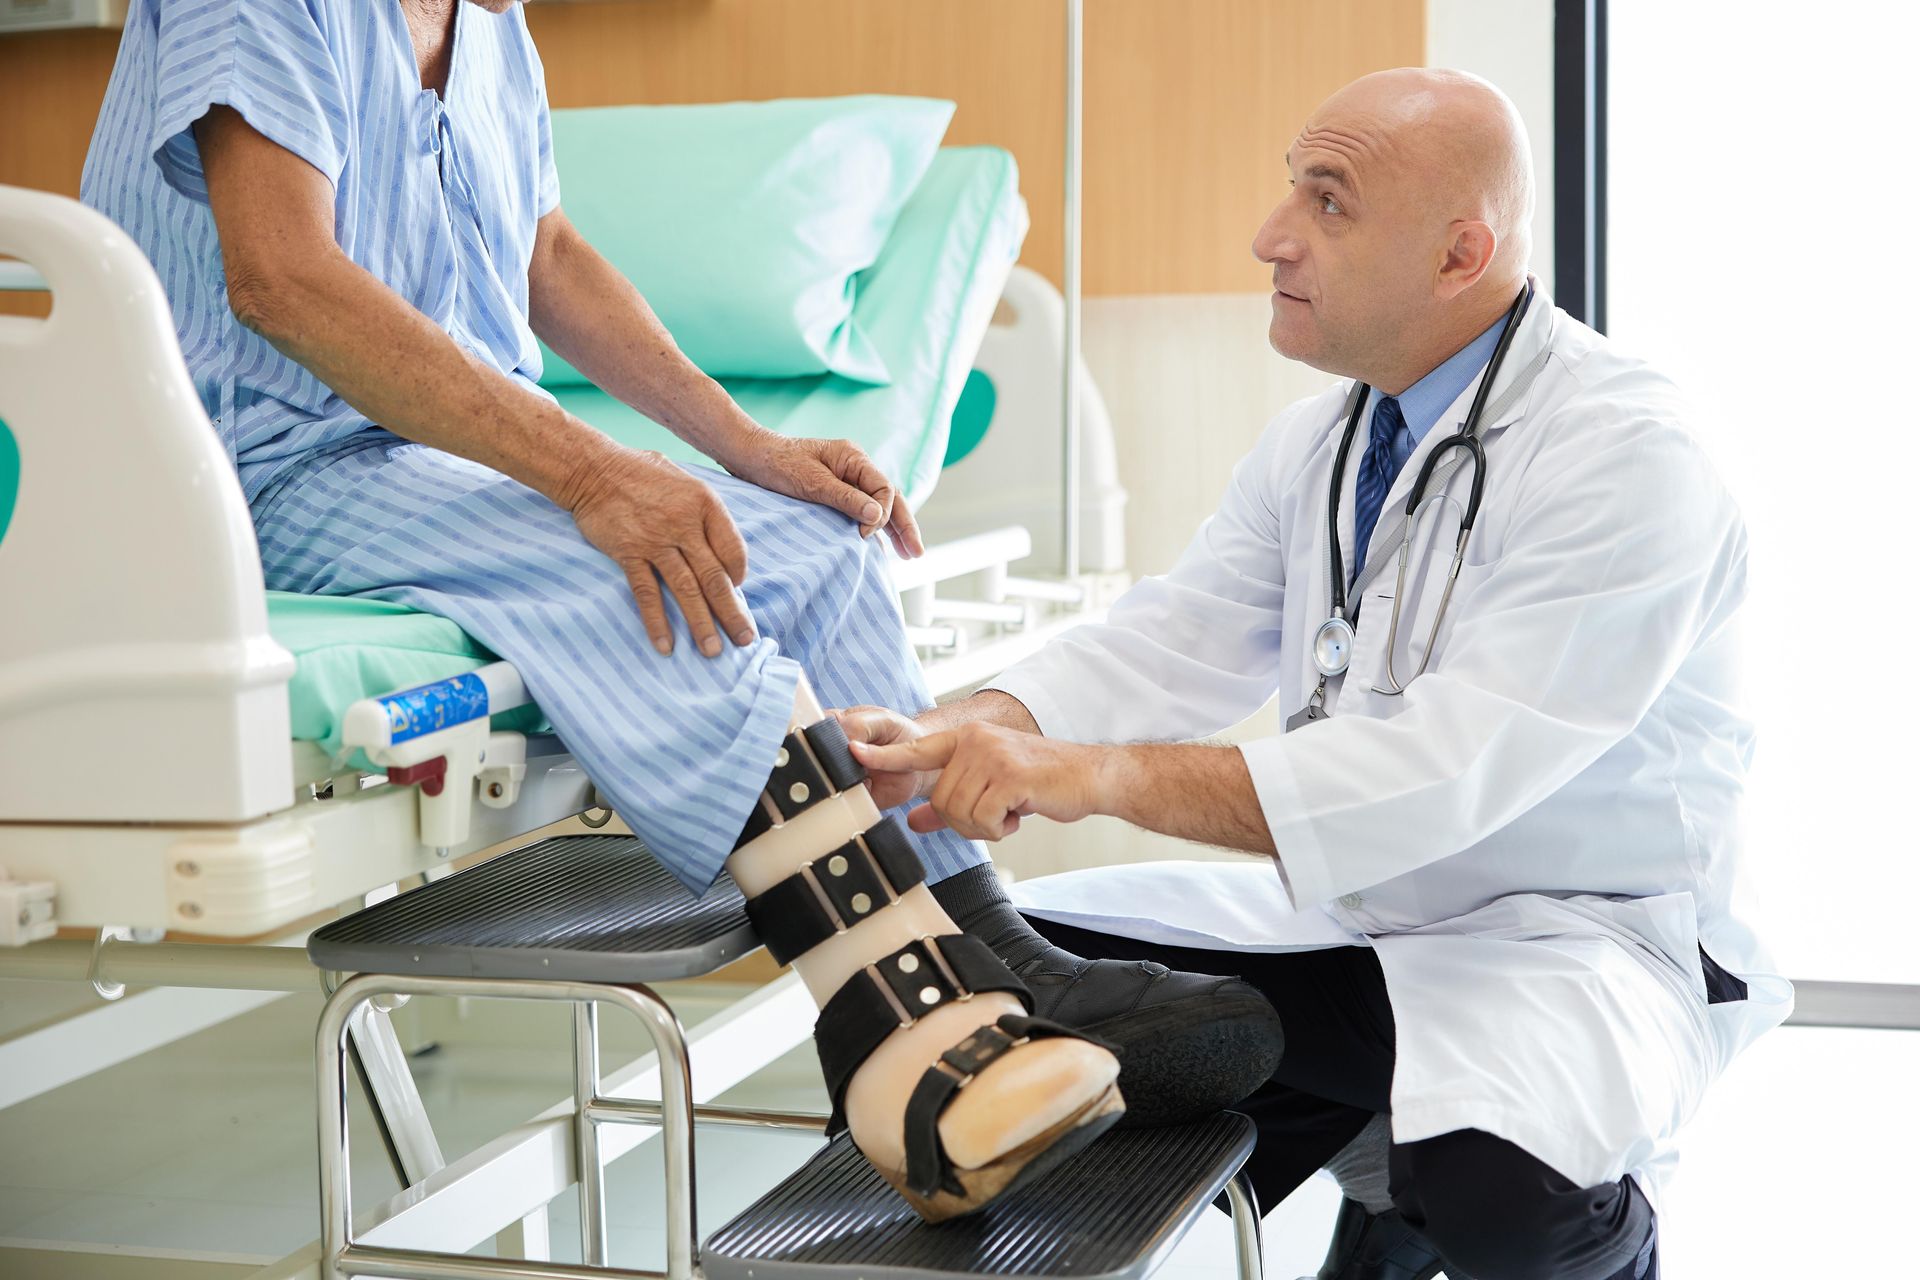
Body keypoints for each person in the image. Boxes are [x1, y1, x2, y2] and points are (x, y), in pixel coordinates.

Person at [79, 0, 1282, 1219]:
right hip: (252, 468)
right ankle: (894, 1031)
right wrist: (593, 473)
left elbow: (546, 256)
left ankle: (990, 949)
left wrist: (744, 447)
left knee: (819, 536)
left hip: (440, 453)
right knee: (630, 556)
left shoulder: (491, 29)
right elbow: (281, 276)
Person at [847, 67, 1790, 1272]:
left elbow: (1441, 772)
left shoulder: (1627, 459)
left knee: (1494, 1174)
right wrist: (968, 722)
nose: (1270, 236)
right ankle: (1377, 1158)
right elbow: (1173, 634)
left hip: (1586, 938)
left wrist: (1084, 773)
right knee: (982, 986)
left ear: (1460, 254)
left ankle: (1508, 1209)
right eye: (1293, 187)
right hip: (1363, 918)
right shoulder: (1325, 441)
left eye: (1328, 203)